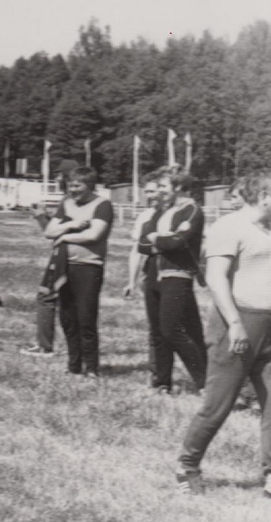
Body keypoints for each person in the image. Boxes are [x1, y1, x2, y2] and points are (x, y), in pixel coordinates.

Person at [176, 170, 271, 500]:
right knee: (219, 404)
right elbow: (216, 278)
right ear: (264, 197)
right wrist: (234, 323)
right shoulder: (228, 227)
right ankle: (187, 467)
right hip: (238, 326)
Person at [42, 166, 114, 376]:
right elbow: (49, 231)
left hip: (89, 267)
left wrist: (64, 237)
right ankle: (74, 365)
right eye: (70, 185)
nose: (72, 190)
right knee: (67, 317)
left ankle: (91, 367)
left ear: (89, 185)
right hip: (65, 266)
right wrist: (71, 225)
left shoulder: (103, 205)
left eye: (77, 185)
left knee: (86, 317)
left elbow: (94, 235)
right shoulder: (66, 203)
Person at [141, 167, 207, 393]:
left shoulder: (192, 210)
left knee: (171, 330)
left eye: (163, 187)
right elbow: (142, 242)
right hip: (152, 275)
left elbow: (177, 242)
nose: (158, 192)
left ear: (178, 187)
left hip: (176, 274)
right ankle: (162, 383)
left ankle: (205, 381)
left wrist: (157, 240)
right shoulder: (161, 210)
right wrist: (161, 239)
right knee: (158, 331)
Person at [22, 163, 78, 357]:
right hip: (71, 254)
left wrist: (41, 219)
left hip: (63, 255)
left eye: (58, 177)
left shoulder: (68, 201)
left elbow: (52, 233)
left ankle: (45, 346)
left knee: (46, 297)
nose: (56, 181)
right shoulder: (75, 201)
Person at [123, 179, 164, 387]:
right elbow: (136, 250)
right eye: (146, 191)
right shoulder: (144, 217)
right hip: (151, 273)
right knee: (154, 326)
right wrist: (131, 280)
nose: (149, 195)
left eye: (153, 190)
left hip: (170, 274)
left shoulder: (174, 213)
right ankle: (157, 373)